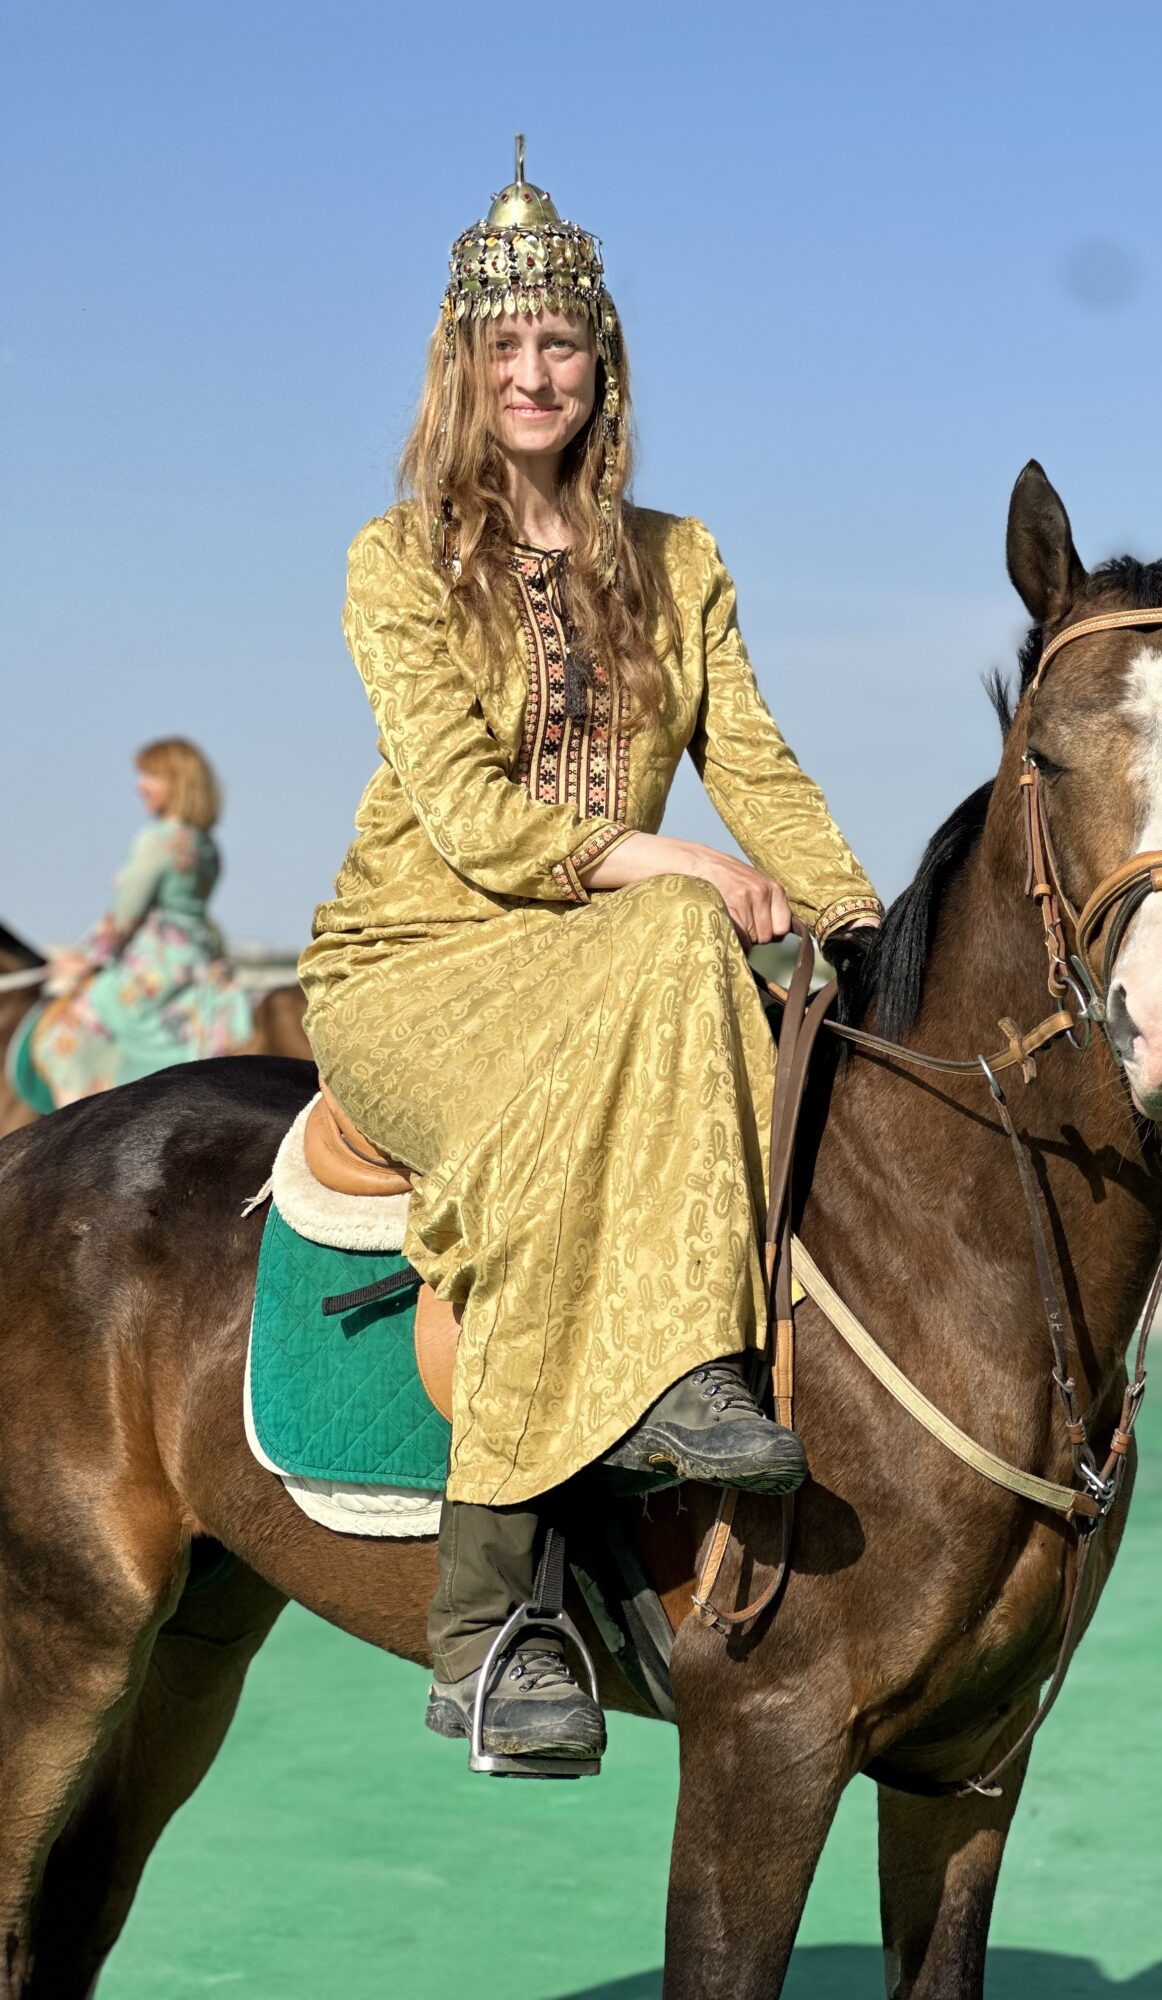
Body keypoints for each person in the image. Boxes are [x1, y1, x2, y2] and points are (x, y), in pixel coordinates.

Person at [298, 140, 882, 1777]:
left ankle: (689, 1393)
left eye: (560, 344)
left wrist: (857, 918)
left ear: (601, 360)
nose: (535, 375)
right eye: (507, 348)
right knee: (674, 936)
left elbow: (753, 763)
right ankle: (495, 1623)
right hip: (418, 964)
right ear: (462, 369)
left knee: (718, 988)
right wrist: (672, 860)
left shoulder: (682, 561)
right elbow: (472, 814)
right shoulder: (395, 561)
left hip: (622, 963)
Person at [38, 738, 252, 1104]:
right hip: (197, 962)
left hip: (155, 966)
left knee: (62, 1038)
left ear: (179, 781)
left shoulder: (158, 839)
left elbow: (123, 915)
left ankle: (81, 1127)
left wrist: (84, 960)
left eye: (152, 776)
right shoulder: (206, 844)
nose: (140, 786)